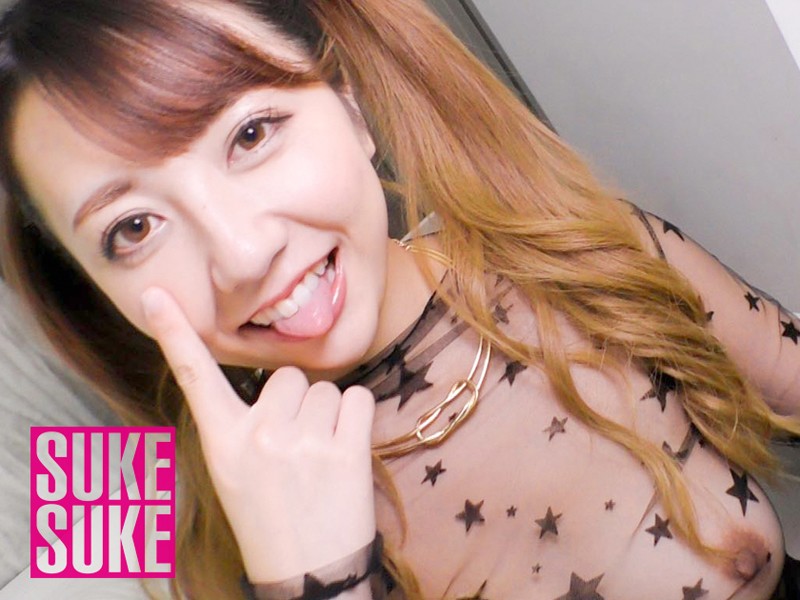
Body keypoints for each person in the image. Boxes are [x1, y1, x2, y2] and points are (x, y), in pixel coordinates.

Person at [1, 0, 799, 598]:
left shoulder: (576, 253)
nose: (242, 254)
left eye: (251, 134)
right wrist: (309, 580)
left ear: (349, 104)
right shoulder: (175, 529)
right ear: (94, 291)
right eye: (134, 228)